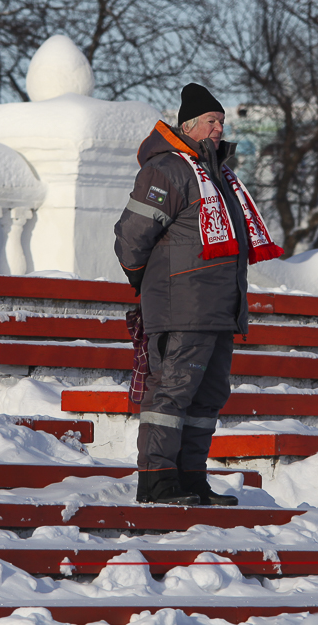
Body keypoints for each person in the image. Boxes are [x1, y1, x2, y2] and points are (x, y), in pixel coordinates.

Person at [114, 83, 283, 505]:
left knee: (206, 398)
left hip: (219, 310)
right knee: (171, 394)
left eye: (222, 122)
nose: (218, 129)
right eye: (212, 121)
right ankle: (157, 481)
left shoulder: (220, 176)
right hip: (181, 307)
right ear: (188, 125)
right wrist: (151, 284)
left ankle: (191, 479)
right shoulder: (167, 170)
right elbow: (130, 239)